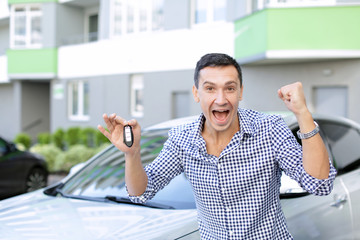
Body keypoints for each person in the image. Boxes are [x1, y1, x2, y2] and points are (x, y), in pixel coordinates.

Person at [98, 53, 337, 239]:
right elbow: (141, 192)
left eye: (229, 88)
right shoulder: (182, 139)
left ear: (240, 92)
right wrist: (132, 154)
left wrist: (302, 112)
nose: (221, 99)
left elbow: (320, 184)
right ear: (196, 93)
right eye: (210, 88)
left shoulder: (269, 129)